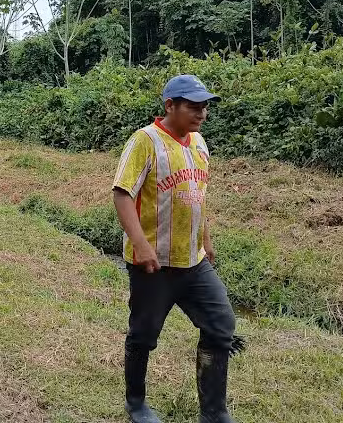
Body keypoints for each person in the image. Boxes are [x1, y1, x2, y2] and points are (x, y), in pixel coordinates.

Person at [112, 75, 243, 423]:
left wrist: (205, 238)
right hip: (154, 265)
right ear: (170, 105)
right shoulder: (145, 141)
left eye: (204, 107)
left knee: (220, 325)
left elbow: (197, 196)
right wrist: (140, 244)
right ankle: (136, 403)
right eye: (193, 106)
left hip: (193, 262)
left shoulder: (199, 145)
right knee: (144, 334)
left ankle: (213, 413)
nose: (201, 113)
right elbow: (122, 193)